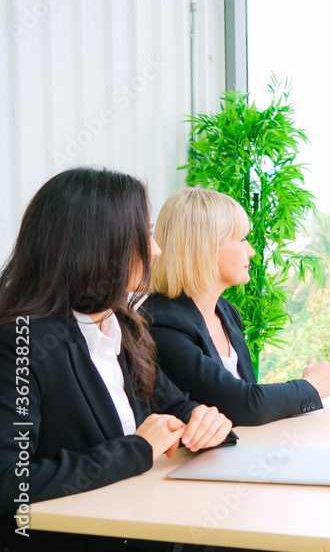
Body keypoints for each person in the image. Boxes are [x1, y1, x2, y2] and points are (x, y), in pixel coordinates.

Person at [0, 168, 234, 551]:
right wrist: (137, 449)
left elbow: (177, 406)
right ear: (97, 244)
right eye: (144, 235)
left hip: (148, 525)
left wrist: (207, 421)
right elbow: (12, 481)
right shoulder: (21, 341)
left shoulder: (121, 326)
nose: (155, 249)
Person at [142, 188, 330, 427]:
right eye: (242, 239)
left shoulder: (225, 311)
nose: (251, 251)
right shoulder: (161, 323)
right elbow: (243, 405)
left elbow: (247, 395)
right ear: (204, 247)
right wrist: (311, 387)